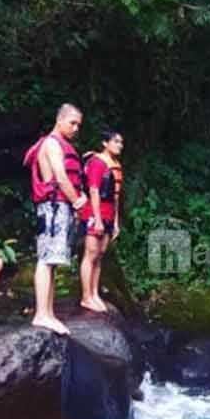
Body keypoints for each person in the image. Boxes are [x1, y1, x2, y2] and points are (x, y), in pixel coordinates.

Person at [23, 104, 88, 334]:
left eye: (79, 124)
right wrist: (79, 203)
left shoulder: (61, 143)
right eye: (72, 123)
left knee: (51, 260)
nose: (76, 128)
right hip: (53, 207)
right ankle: (41, 314)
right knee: (46, 259)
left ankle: (48, 312)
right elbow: (60, 176)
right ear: (59, 121)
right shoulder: (51, 143)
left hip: (59, 206)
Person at [79, 130, 124, 313]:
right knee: (90, 253)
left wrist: (114, 222)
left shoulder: (116, 165)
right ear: (105, 143)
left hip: (108, 213)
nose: (120, 145)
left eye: (121, 142)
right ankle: (86, 296)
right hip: (94, 212)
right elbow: (94, 190)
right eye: (116, 141)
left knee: (100, 255)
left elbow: (116, 196)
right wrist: (97, 219)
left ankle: (94, 293)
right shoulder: (97, 162)